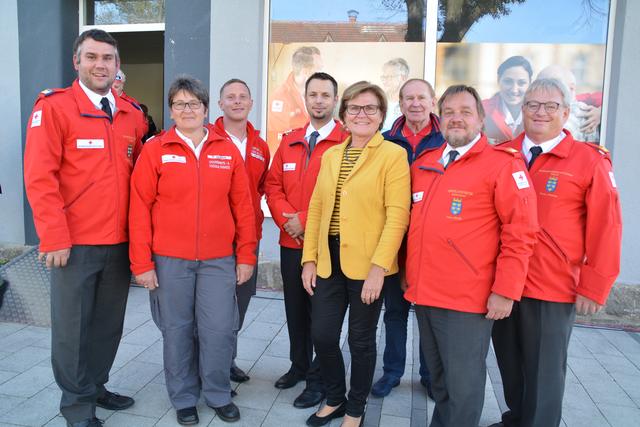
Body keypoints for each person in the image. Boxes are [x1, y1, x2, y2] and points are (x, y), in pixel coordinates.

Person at [23, 29, 143, 427]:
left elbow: (142, 181)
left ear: (117, 65)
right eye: (91, 57)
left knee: (108, 326)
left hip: (120, 244)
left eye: (107, 58)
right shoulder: (55, 108)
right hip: (72, 245)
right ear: (77, 62)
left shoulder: (132, 114)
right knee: (72, 331)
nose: (100, 65)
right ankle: (76, 406)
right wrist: (53, 236)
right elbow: (40, 178)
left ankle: (95, 386)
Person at [488, 78, 622, 427]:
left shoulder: (589, 161)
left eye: (550, 106)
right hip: (503, 284)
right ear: (522, 109)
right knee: (509, 363)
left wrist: (594, 285)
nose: (540, 112)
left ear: (565, 112)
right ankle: (516, 419)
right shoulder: (502, 154)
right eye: (532, 104)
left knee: (544, 373)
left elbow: (607, 227)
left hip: (552, 285)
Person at [405, 85, 538, 427]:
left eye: (466, 112)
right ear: (440, 118)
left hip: (467, 299)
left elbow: (520, 233)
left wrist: (506, 291)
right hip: (425, 292)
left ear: (481, 119)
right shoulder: (425, 164)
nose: (457, 119)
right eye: (449, 112)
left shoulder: (502, 165)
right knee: (439, 381)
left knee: (463, 387)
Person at [129, 76, 257, 425]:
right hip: (170, 261)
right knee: (178, 330)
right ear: (171, 110)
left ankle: (216, 392)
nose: (187, 110)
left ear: (205, 108)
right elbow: (138, 208)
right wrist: (142, 263)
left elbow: (243, 207)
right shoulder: (156, 149)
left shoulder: (225, 148)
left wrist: (246, 256)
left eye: (194, 104)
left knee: (218, 329)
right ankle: (184, 397)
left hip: (218, 260)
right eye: (180, 104)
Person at [301, 81, 411, 427]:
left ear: (381, 116)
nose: (362, 114)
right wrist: (309, 258)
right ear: (343, 115)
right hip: (328, 259)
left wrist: (380, 268)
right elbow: (317, 208)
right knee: (322, 334)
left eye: (370, 108)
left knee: (361, 341)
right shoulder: (331, 155)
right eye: (354, 108)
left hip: (368, 263)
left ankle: (355, 407)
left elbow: (398, 215)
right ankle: (335, 397)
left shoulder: (393, 155)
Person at [264, 72, 348, 409]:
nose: (318, 101)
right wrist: (289, 220)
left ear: (335, 99)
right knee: (295, 311)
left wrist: (306, 222)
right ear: (306, 98)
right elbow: (272, 186)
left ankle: (318, 379)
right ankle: (298, 366)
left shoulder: (345, 142)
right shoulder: (290, 140)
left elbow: (343, 195)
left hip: (325, 246)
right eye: (313, 94)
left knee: (321, 317)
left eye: (325, 95)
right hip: (291, 243)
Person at [372, 78, 444, 398]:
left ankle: (429, 374)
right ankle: (392, 372)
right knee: (395, 312)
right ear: (400, 104)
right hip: (394, 242)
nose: (415, 103)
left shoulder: (447, 142)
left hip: (431, 243)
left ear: (433, 101)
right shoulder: (385, 141)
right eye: (408, 98)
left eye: (421, 98)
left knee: (428, 315)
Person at [210, 78, 270, 387]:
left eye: (242, 97)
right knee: (213, 308)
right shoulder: (207, 138)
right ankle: (210, 365)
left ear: (251, 103)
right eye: (230, 97)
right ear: (220, 104)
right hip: (215, 239)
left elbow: (261, 189)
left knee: (238, 304)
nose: (236, 101)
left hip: (248, 238)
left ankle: (227, 359)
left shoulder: (260, 146)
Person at [267, 46, 323, 152]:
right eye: (319, 69)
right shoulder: (280, 98)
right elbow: (277, 141)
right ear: (306, 72)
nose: (323, 74)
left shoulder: (317, 94)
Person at [537, 65, 601, 142]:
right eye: (538, 85)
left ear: (571, 89)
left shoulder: (576, 114)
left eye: (552, 85)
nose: (542, 91)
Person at [483, 56, 533, 144]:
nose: (514, 90)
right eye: (508, 81)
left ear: (530, 83)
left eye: (521, 83)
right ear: (498, 80)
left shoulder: (540, 114)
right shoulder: (481, 111)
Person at [381, 58, 410, 131]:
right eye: (384, 77)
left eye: (390, 77)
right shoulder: (378, 100)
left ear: (403, 78)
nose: (385, 81)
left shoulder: (413, 104)